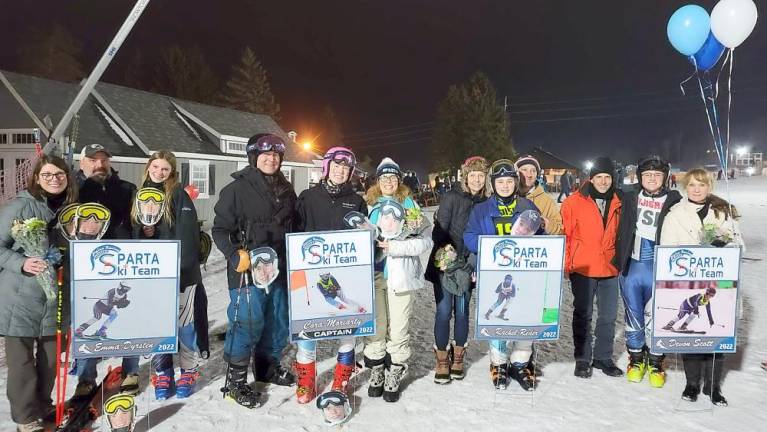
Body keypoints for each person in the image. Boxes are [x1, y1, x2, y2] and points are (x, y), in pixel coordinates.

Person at [212, 133, 297, 408]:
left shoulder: (287, 190)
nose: (271, 159)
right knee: (249, 321)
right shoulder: (237, 189)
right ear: (254, 157)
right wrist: (234, 253)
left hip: (280, 267)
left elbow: (295, 226)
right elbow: (220, 229)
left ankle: (267, 367)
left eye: (276, 155)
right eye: (265, 155)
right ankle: (236, 380)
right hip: (248, 269)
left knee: (278, 320)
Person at [0, 155, 77, 432]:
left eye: (59, 174)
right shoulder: (20, 207)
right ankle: (25, 418)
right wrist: (21, 263)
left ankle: (44, 405)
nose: (54, 179)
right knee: (22, 363)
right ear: (36, 178)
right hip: (20, 298)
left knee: (51, 360)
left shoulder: (73, 209)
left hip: (56, 298)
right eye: (47, 174)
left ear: (67, 176)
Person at [660, 167, 744, 406]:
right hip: (689, 281)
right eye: (693, 185)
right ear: (686, 188)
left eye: (702, 185)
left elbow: (739, 245)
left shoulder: (722, 212)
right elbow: (667, 249)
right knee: (693, 337)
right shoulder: (675, 214)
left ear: (709, 187)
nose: (697, 190)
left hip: (720, 281)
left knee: (717, 334)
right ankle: (692, 384)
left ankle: (713, 386)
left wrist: (723, 242)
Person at [131, 150, 208, 400]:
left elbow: (187, 236)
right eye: (156, 167)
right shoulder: (140, 194)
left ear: (171, 172)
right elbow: (134, 234)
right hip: (152, 272)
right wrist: (145, 232)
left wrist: (184, 271)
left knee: (184, 324)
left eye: (165, 169)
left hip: (180, 272)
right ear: (148, 167)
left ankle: (188, 369)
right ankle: (163, 371)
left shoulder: (178, 195)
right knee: (158, 325)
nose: (159, 172)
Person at [293, 146, 367, 404]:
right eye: (336, 166)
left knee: (346, 327)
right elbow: (295, 233)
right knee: (308, 329)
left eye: (346, 168)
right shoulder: (307, 197)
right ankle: (306, 380)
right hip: (312, 271)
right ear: (326, 167)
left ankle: (341, 378)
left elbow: (364, 236)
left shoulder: (357, 201)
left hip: (345, 272)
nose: (341, 171)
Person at [463, 159, 542, 391]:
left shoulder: (527, 206)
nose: (505, 185)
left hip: (524, 274)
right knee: (497, 316)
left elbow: (541, 235)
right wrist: (491, 245)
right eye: (501, 182)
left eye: (509, 181)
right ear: (493, 184)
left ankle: (520, 363)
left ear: (515, 183)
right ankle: (499, 363)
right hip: (494, 273)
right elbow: (469, 236)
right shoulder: (482, 209)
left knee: (524, 316)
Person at [363, 157, 432, 402]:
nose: (389, 182)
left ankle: (395, 370)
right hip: (373, 275)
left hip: (400, 276)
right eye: (384, 178)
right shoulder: (369, 205)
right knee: (377, 326)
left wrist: (395, 247)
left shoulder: (410, 205)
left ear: (399, 180)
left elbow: (426, 241)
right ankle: (377, 370)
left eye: (393, 178)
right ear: (378, 181)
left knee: (399, 327)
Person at [74, 144, 139, 396]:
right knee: (91, 318)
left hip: (125, 264)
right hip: (89, 267)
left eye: (104, 160)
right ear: (82, 163)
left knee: (129, 316)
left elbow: (139, 222)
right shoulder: (75, 191)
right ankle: (86, 378)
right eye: (93, 160)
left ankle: (130, 370)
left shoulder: (127, 189)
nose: (99, 165)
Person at [614, 155, 681, 387]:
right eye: (647, 175)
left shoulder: (675, 200)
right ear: (640, 177)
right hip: (632, 266)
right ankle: (636, 358)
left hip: (659, 267)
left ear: (665, 178)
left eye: (657, 175)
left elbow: (698, 210)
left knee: (658, 316)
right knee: (633, 315)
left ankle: (656, 360)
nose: (652, 179)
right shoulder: (630, 196)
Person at [425, 156, 489, 384]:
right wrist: (447, 249)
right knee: (444, 311)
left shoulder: (487, 202)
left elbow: (487, 233)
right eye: (473, 175)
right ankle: (442, 357)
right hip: (445, 263)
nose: (477, 179)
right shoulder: (452, 197)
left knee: (462, 311)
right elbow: (439, 228)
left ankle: (458, 356)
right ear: (465, 176)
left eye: (481, 175)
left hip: (468, 265)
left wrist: (474, 259)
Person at [560, 156, 623, 379]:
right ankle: (583, 358)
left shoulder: (619, 200)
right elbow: (566, 235)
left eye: (607, 177)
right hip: (583, 266)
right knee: (583, 314)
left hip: (609, 267)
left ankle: (603, 357)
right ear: (591, 178)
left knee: (608, 315)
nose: (604, 181)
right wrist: (568, 265)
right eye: (599, 177)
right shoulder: (574, 202)